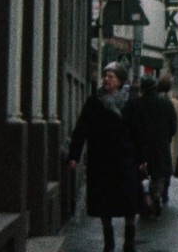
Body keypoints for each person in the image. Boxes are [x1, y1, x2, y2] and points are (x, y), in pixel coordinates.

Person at [68, 61, 144, 252]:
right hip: (101, 161)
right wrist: (74, 154)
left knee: (129, 202)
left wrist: (143, 159)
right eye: (105, 76)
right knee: (104, 203)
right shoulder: (94, 102)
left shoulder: (130, 104)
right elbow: (81, 128)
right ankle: (108, 242)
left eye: (111, 76)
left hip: (125, 161)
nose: (106, 79)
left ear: (120, 81)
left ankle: (129, 240)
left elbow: (138, 133)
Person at [127, 73, 177, 217]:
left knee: (140, 176)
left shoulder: (134, 104)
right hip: (160, 148)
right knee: (159, 176)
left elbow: (127, 127)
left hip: (139, 149)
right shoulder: (166, 104)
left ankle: (144, 199)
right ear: (155, 88)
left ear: (142, 89)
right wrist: (165, 139)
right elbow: (173, 127)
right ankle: (155, 196)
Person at [158, 73, 178, 204]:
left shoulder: (155, 101)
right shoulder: (177, 104)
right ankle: (165, 192)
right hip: (173, 138)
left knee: (159, 165)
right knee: (170, 164)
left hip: (159, 138)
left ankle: (158, 190)